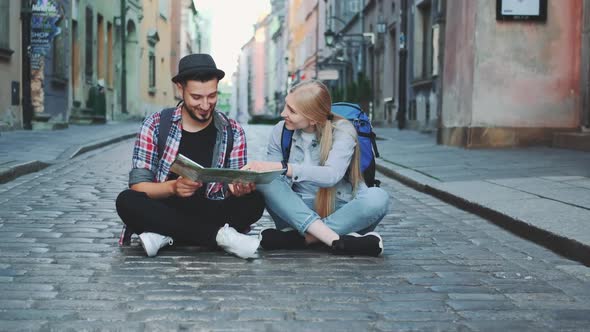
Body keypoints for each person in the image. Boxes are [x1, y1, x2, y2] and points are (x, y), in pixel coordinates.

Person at [116, 54, 264, 259]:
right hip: (167, 204)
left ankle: (165, 234)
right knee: (127, 201)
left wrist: (239, 188)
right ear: (180, 88)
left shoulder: (233, 131)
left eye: (212, 96)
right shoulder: (156, 125)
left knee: (254, 201)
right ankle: (220, 237)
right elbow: (139, 186)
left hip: (210, 207)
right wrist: (173, 188)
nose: (205, 105)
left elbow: (233, 185)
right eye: (196, 97)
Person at [246, 80, 390, 257]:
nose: (283, 113)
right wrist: (262, 172)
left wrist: (284, 167)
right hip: (295, 213)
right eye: (286, 106)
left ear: (313, 118)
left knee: (379, 197)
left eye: (292, 110)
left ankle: (307, 239)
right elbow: (276, 182)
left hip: (341, 211)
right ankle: (339, 240)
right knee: (265, 180)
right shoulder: (281, 131)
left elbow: (331, 175)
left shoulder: (343, 130)